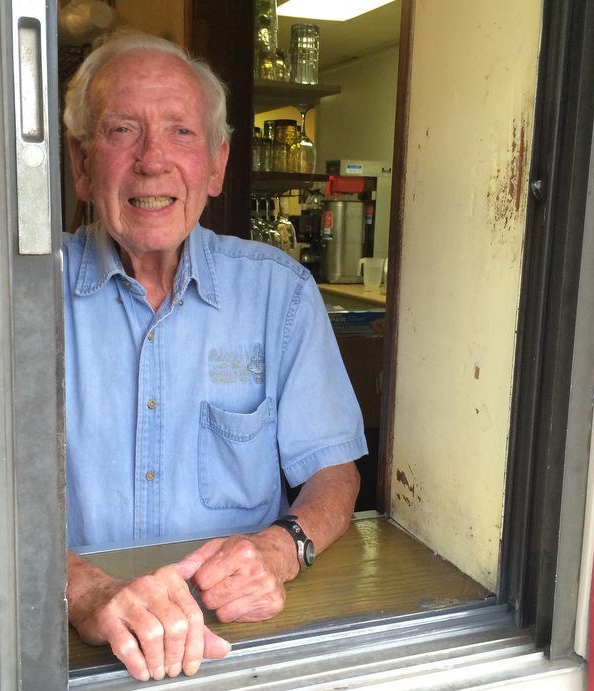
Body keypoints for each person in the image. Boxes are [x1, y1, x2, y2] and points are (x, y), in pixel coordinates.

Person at [61, 32, 366, 682]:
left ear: (218, 164)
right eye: (122, 131)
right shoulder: (20, 303)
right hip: (74, 649)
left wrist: (284, 547)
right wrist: (80, 587)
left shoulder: (279, 294)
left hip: (239, 644)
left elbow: (333, 475)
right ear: (81, 164)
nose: (153, 161)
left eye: (181, 133)